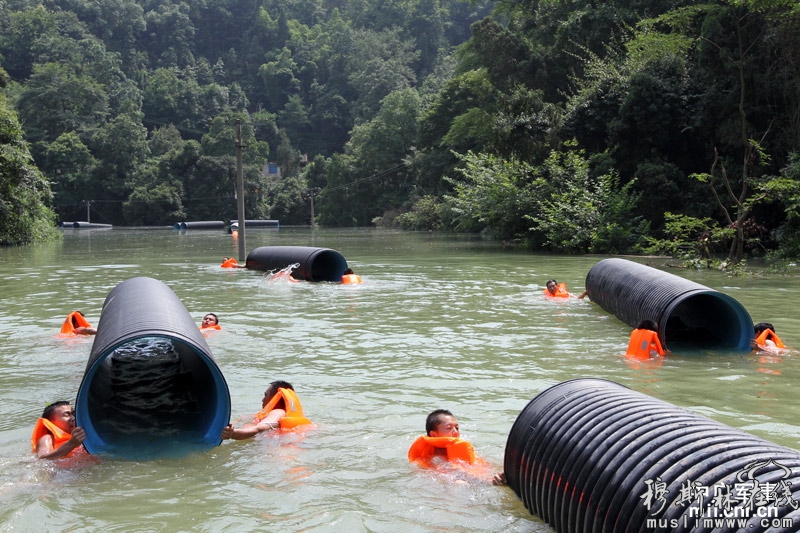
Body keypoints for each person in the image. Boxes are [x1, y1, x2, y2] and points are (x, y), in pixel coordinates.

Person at [407, 409, 506, 485]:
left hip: (475, 480)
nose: (456, 432)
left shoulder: (464, 449)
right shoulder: (435, 458)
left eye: (457, 428)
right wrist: (488, 482)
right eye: (449, 428)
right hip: (454, 488)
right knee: (459, 483)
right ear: (433, 434)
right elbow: (456, 475)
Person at [221, 380, 311, 441]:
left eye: (265, 395)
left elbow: (260, 428)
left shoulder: (278, 412)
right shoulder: (283, 415)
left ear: (274, 398)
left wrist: (232, 433)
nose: (262, 399)